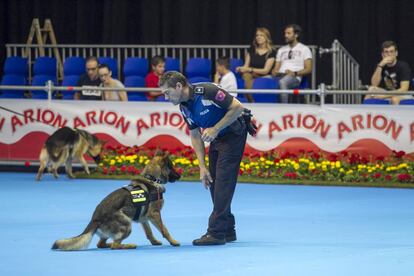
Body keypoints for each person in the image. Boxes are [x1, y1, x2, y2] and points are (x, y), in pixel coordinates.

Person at [159, 71, 255, 246]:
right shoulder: (183, 106)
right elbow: (195, 135)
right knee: (213, 182)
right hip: (217, 138)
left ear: (179, 86)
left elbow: (238, 108)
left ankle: (216, 233)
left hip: (234, 134)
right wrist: (202, 167)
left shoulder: (208, 91)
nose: (166, 97)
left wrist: (216, 128)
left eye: (167, 92)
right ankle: (228, 230)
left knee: (223, 182)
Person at [272, 24, 312, 103]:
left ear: (296, 35)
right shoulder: (281, 50)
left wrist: (294, 73)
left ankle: (284, 109)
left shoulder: (304, 49)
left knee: (283, 82)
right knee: (261, 81)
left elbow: (309, 69)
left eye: (288, 33)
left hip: (294, 77)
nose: (285, 35)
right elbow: (276, 67)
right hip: (280, 75)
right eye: (285, 33)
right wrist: (275, 72)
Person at [365, 41, 412, 105]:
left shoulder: (403, 66)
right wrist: (380, 65)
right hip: (388, 92)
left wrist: (384, 96)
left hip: (405, 94)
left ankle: (395, 115)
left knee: (394, 99)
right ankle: (367, 113)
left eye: (391, 51)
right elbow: (374, 84)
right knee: (371, 89)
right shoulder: (380, 65)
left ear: (396, 53)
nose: (389, 54)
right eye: (386, 52)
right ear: (382, 54)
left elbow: (404, 89)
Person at [236, 27, 276, 102]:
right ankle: (251, 101)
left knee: (248, 75)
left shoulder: (271, 52)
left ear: (266, 37)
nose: (258, 37)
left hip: (265, 75)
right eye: (257, 35)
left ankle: (251, 100)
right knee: (246, 75)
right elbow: (246, 66)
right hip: (252, 74)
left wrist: (250, 69)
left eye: (261, 35)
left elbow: (266, 71)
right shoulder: (251, 50)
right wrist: (241, 68)